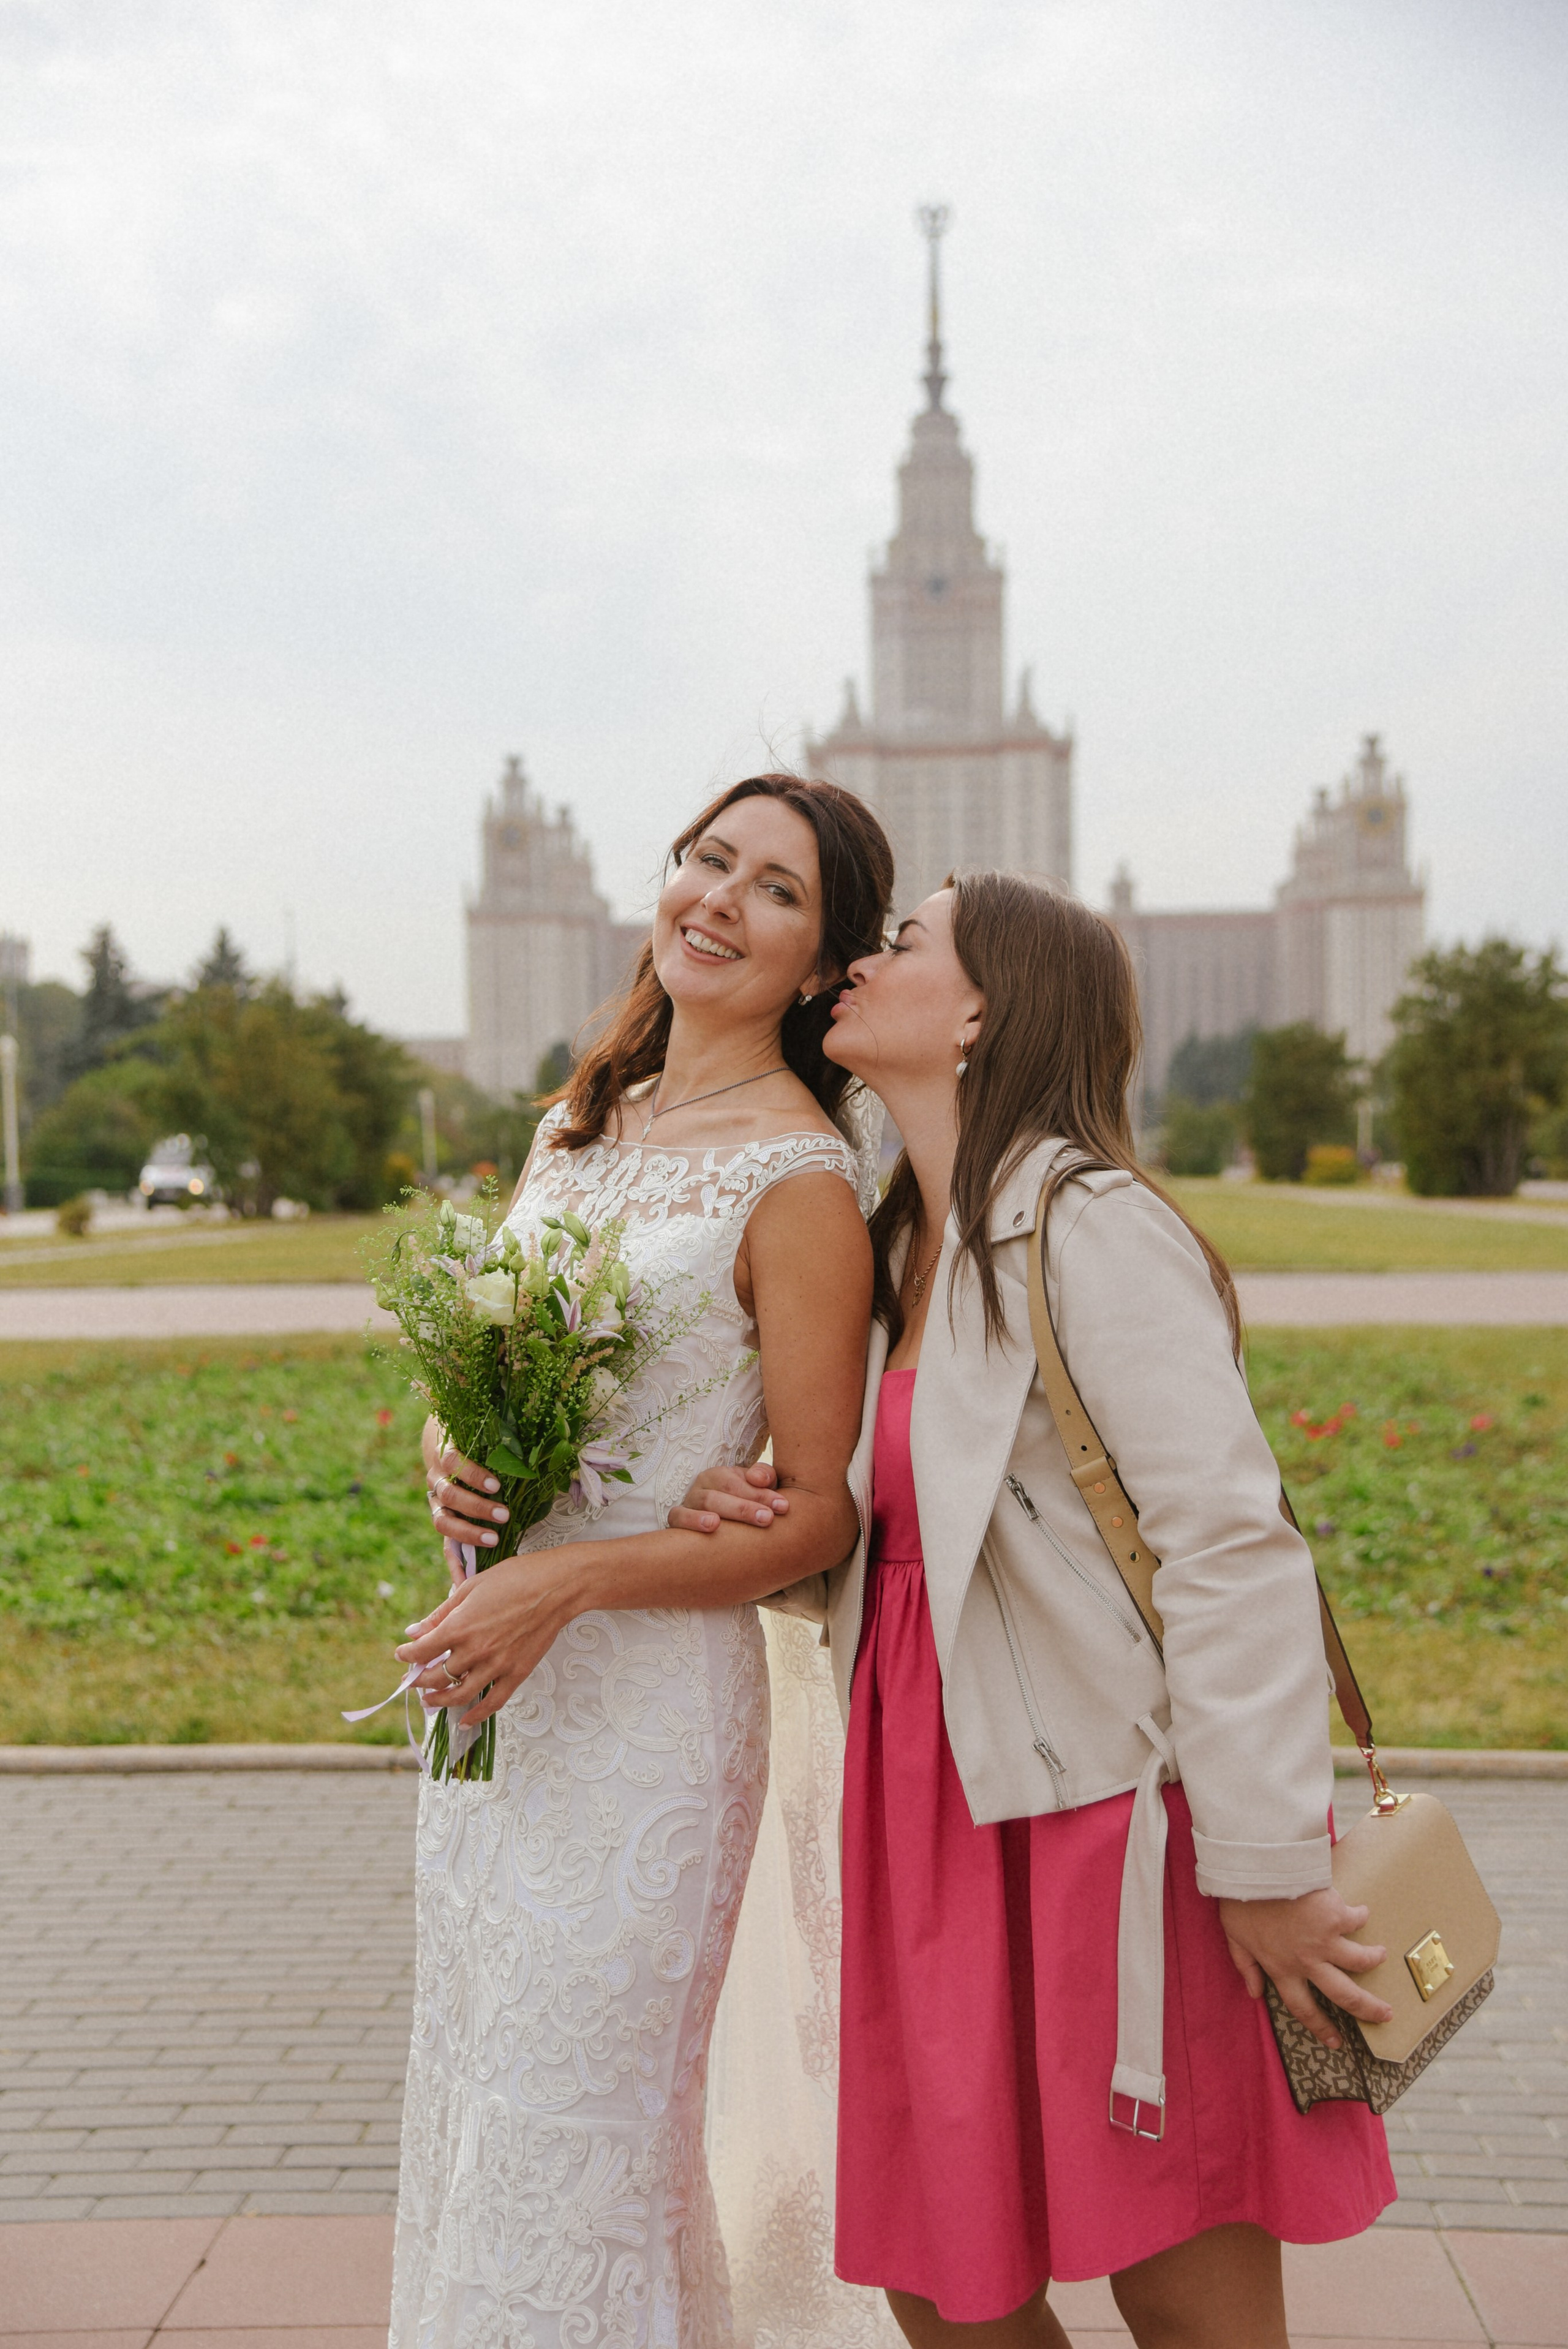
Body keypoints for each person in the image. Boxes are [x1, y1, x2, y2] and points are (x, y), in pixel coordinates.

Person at [678, 871, 1397, 2349]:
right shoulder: (892, 1252)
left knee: (1172, 2275)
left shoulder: (1089, 1223)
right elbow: (917, 1529)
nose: (859, 962)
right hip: (924, 1812)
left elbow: (1229, 1547)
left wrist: (1263, 1860)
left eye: (903, 944)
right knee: (938, 2279)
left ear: (983, 1009)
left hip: (1104, 1821)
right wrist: (767, 1516)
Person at [386, 774, 894, 2349]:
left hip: (649, 1734)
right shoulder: (575, 1118)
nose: (720, 901)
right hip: (497, 1705)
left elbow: (818, 1512)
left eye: (775, 890)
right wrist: (445, 1450)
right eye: (706, 861)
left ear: (821, 964)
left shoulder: (801, 1182)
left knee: (585, 2137)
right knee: (485, 2110)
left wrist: (576, 1577)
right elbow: (487, 1366)